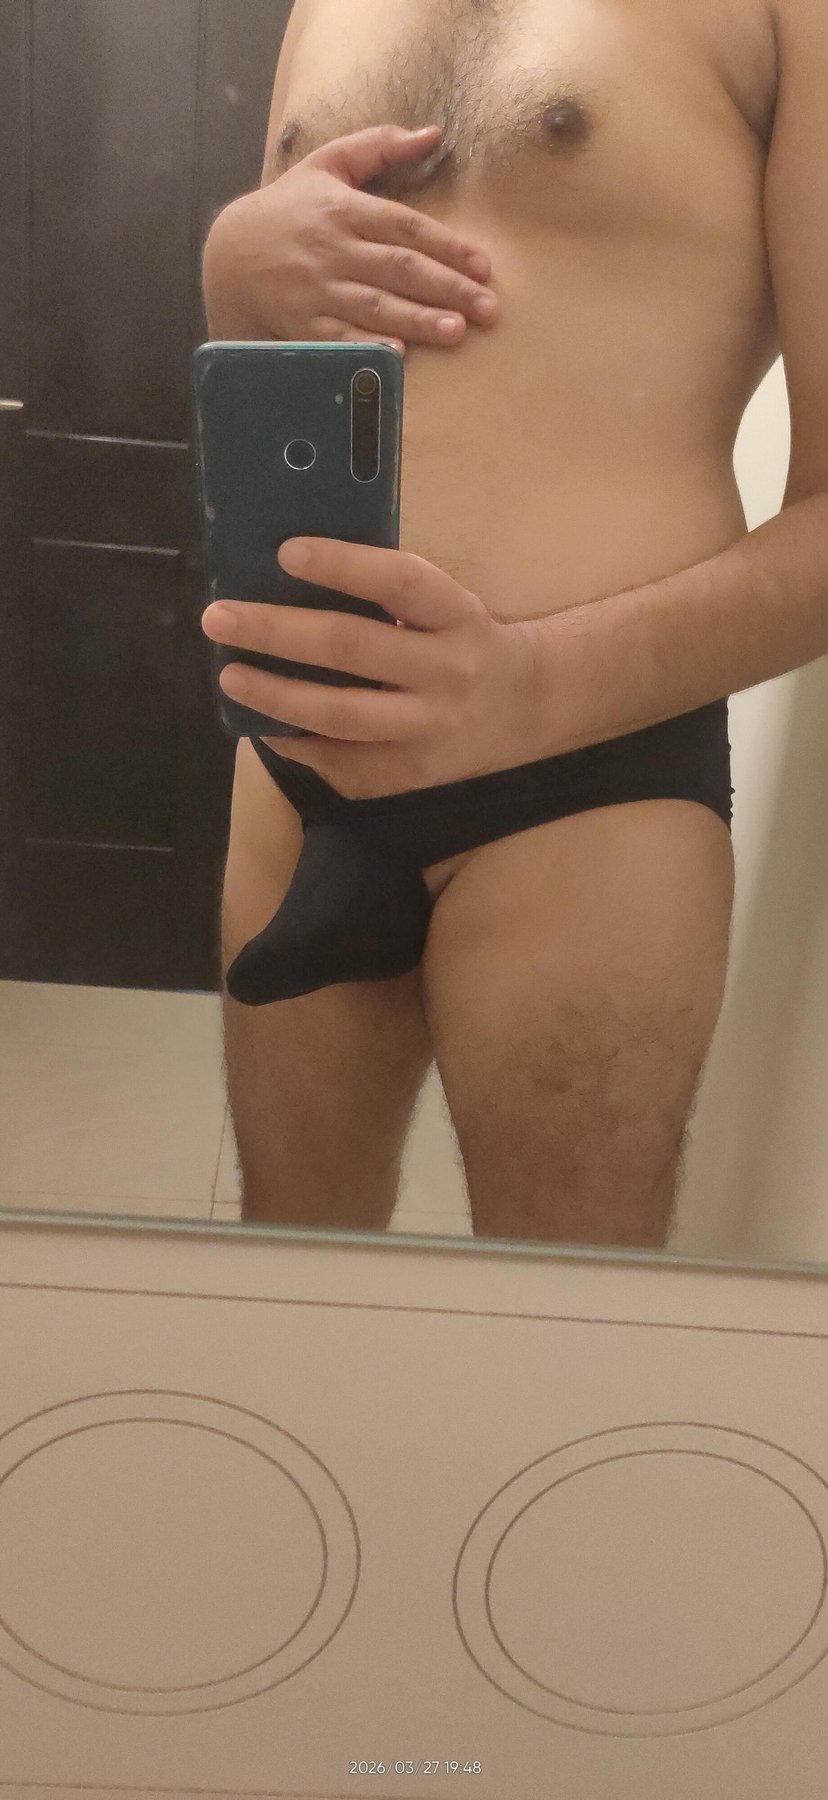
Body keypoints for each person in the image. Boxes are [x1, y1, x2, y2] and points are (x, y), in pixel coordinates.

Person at [200, 0, 828, 1246]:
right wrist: (228, 266)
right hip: (297, 757)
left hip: (585, 780)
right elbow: (286, 361)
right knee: (288, 1273)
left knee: (561, 1317)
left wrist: (535, 685)